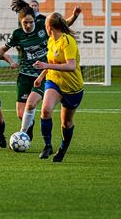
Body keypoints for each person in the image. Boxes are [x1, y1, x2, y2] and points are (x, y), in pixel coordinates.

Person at [0, 0, 81, 142]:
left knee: (31, 104)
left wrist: (75, 15)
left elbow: (64, 25)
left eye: (30, 22)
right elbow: (4, 48)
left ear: (35, 19)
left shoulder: (43, 26)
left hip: (42, 74)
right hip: (24, 76)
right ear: (20, 22)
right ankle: (28, 130)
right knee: (22, 114)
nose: (28, 25)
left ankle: (23, 134)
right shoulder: (17, 34)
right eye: (25, 23)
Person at [33, 12, 84, 162]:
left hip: (73, 87)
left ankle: (62, 149)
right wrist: (41, 76)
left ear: (49, 27)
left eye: (45, 25)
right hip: (54, 82)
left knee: (66, 123)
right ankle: (47, 145)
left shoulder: (67, 41)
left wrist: (46, 65)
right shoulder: (51, 40)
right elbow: (52, 63)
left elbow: (71, 66)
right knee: (45, 110)